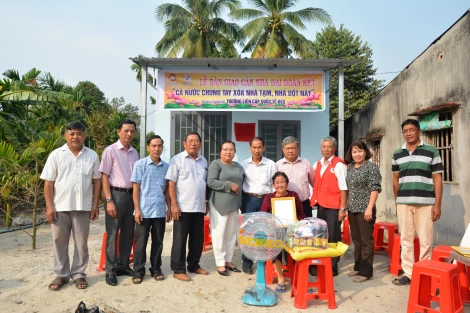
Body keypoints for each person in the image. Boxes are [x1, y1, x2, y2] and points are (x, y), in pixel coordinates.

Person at [41, 121, 101, 291]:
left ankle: (79, 274)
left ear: (84, 136)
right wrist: (49, 206)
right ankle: (61, 275)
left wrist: (95, 205)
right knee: (59, 241)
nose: (76, 137)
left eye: (79, 134)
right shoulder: (56, 155)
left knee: (81, 243)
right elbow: (48, 183)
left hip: (83, 207)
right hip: (60, 207)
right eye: (72, 133)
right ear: (66, 135)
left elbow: (97, 182)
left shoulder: (92, 155)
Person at [391, 119, 443, 286]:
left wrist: (437, 204)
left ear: (419, 131)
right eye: (405, 130)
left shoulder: (431, 151)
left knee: (426, 240)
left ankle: (424, 273)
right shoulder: (397, 154)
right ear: (403, 133)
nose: (408, 133)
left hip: (426, 202)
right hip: (404, 203)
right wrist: (397, 201)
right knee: (406, 239)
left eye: (412, 130)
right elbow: (395, 180)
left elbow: (437, 179)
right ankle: (409, 273)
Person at [99, 119, 139, 286]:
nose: (129, 133)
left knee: (128, 233)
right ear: (118, 132)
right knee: (113, 233)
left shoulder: (134, 152)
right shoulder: (110, 151)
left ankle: (123, 265)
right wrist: (109, 200)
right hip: (116, 195)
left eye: (132, 131)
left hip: (131, 196)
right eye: (126, 130)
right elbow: (104, 176)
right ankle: (110, 269)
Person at [166, 132, 209, 282]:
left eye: (196, 141)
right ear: (184, 143)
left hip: (199, 206)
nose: (193, 144)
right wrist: (174, 205)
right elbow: (171, 183)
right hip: (182, 207)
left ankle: (193, 265)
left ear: (200, 144)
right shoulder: (177, 160)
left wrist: (206, 202)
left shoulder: (204, 161)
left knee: (197, 239)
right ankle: (178, 269)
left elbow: (203, 184)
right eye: (190, 141)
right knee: (180, 240)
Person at [131, 135, 171, 284]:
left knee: (158, 242)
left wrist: (169, 208)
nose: (157, 148)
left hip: (159, 210)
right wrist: (137, 209)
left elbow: (166, 189)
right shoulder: (140, 165)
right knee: (141, 242)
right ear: (148, 148)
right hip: (144, 210)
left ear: (162, 147)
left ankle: (156, 269)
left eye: (159, 145)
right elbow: (136, 189)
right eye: (154, 146)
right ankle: (138, 271)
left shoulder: (166, 167)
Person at [261, 172, 306, 292]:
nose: (280, 185)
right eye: (277, 183)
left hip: (292, 229)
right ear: (273, 184)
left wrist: (298, 220)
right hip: (275, 230)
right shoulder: (269, 197)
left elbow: (301, 214)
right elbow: (263, 215)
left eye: (282, 182)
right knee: (276, 248)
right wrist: (269, 220)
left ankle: (296, 278)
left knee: (294, 249)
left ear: (287, 183)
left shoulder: (293, 195)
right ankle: (281, 278)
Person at [344, 140, 382, 282]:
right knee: (357, 240)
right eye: (354, 151)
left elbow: (375, 188)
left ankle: (366, 272)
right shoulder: (350, 167)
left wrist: (369, 208)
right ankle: (358, 267)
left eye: (360, 151)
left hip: (366, 209)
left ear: (365, 152)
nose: (357, 154)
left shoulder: (371, 167)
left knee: (366, 240)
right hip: (352, 208)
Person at [310, 136, 347, 276]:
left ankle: (333, 266)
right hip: (321, 205)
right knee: (321, 236)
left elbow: (344, 188)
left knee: (333, 236)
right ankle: (322, 263)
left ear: (334, 149)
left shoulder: (338, 165)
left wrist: (342, 209)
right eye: (323, 147)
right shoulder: (318, 164)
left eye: (329, 147)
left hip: (334, 207)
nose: (326, 149)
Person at [240, 137, 277, 274]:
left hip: (266, 200)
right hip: (249, 200)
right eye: (254, 147)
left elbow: (275, 184)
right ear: (250, 148)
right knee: (248, 231)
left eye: (259, 147)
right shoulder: (243, 165)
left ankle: (266, 261)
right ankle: (247, 262)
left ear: (264, 148)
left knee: (267, 230)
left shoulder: (271, 164)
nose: (257, 150)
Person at [207, 140, 244, 276]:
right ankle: (220, 262)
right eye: (225, 149)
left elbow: (242, 183)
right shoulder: (216, 164)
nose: (228, 152)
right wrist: (229, 185)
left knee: (231, 234)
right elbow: (210, 182)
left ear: (234, 152)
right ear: (220, 152)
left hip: (234, 204)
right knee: (219, 233)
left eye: (231, 149)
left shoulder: (239, 167)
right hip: (219, 204)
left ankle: (228, 260)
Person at [276, 136, 315, 219]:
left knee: (305, 230)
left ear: (298, 149)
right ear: (283, 149)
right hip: (284, 205)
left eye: (293, 148)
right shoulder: (277, 165)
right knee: (286, 230)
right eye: (288, 148)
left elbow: (314, 183)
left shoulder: (306, 163)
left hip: (304, 204)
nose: (290, 151)